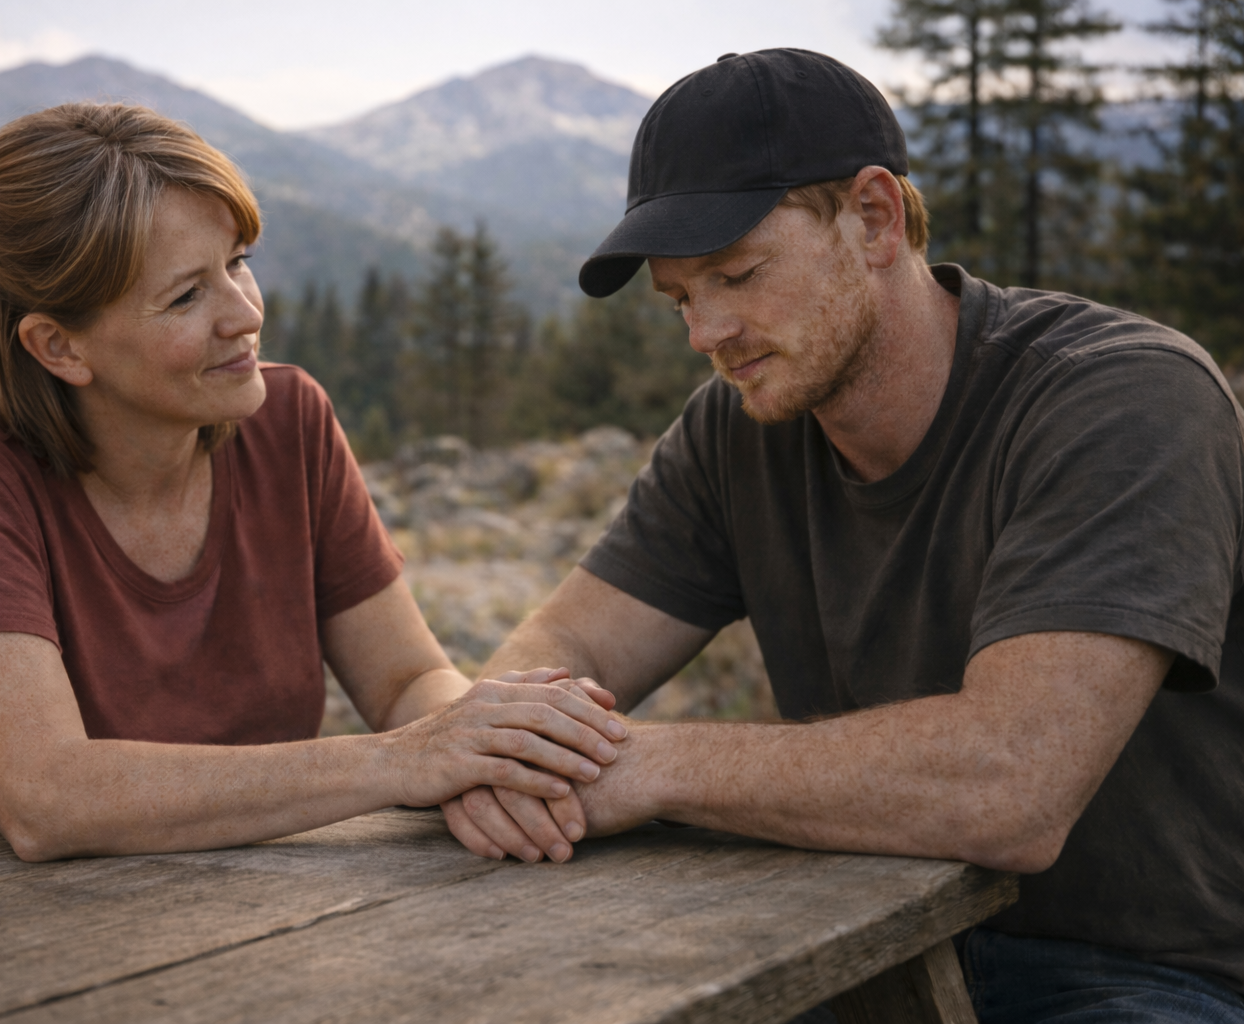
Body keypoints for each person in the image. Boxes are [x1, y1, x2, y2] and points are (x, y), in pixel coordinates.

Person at [446, 49, 1244, 1022]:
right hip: (849, 936)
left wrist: (645, 766)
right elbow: (560, 649)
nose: (707, 331)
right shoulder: (733, 429)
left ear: (873, 217)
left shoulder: (1122, 396)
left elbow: (1015, 783)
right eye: (680, 298)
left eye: (738, 273)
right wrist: (517, 742)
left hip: (1144, 972)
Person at [0, 102, 626, 864]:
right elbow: (46, 797)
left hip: (207, 897)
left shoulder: (289, 423)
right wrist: (407, 761)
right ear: (58, 347)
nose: (244, 312)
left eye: (238, 263)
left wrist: (489, 759)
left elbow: (408, 680)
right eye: (186, 294)